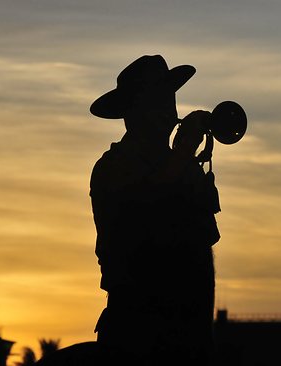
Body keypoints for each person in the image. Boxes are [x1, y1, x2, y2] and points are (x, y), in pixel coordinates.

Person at [89, 55, 221, 365]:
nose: (168, 109)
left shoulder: (185, 167)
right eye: (157, 100)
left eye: (169, 99)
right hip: (137, 327)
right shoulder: (113, 167)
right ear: (133, 111)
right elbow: (148, 204)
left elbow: (205, 244)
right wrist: (184, 150)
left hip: (190, 328)